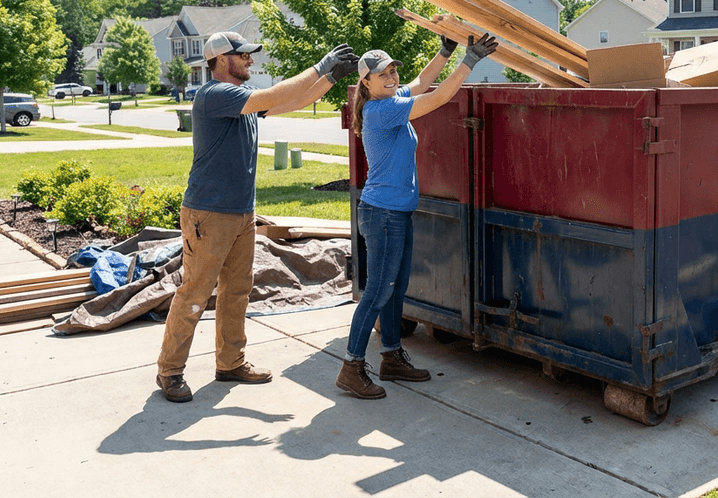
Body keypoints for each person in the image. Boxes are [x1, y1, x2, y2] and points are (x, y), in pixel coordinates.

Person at [156, 31, 359, 403]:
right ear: (220, 60)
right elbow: (273, 95)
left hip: (240, 213)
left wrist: (328, 79)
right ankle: (170, 371)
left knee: (237, 291)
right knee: (195, 293)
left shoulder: (242, 102)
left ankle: (230, 362)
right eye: (243, 55)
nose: (250, 60)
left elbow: (290, 102)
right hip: (209, 214)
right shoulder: (215, 95)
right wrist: (321, 65)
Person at [336, 32, 497, 399]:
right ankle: (351, 366)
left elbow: (423, 82)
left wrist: (444, 52)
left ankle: (391, 357)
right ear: (366, 82)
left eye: (393, 71)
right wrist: (469, 61)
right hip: (383, 214)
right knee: (377, 290)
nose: (392, 78)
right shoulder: (381, 110)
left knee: (395, 289)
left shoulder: (390, 97)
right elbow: (439, 96)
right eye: (383, 74)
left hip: (396, 212)